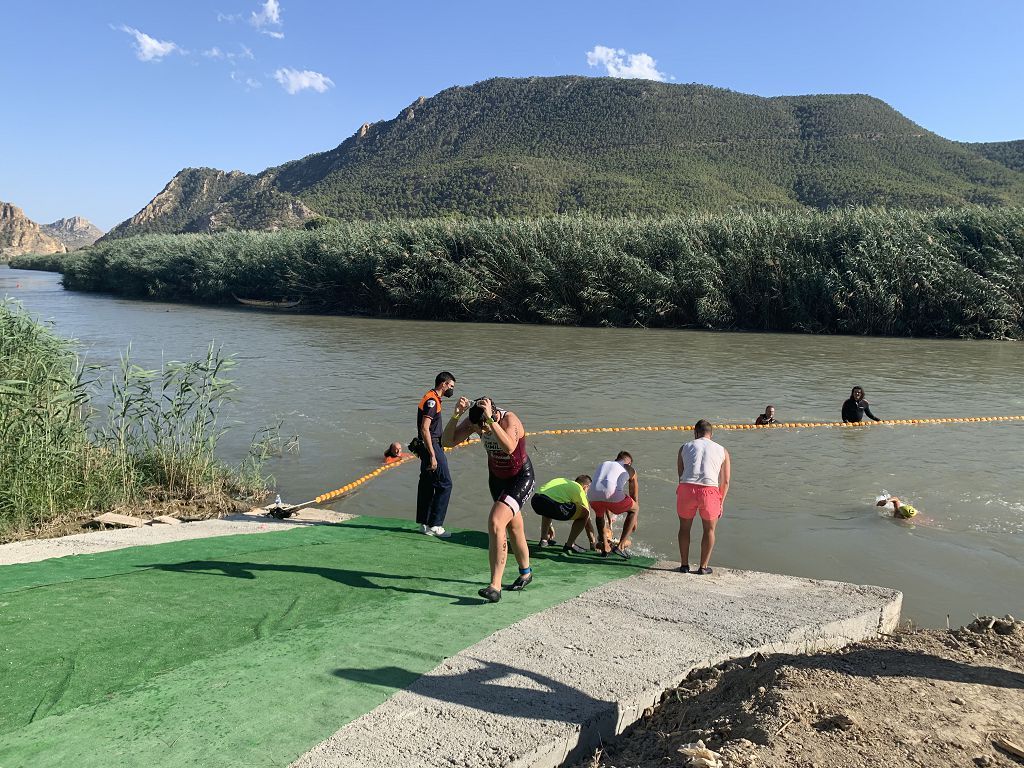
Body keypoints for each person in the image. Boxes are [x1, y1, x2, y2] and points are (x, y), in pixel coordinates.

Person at [443, 396, 535, 603]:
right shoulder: (476, 421)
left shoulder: (509, 420)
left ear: (493, 414)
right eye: (479, 427)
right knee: (514, 527)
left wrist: (491, 423)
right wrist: (456, 415)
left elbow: (510, 447)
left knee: (496, 522)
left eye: (484, 425)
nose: (482, 431)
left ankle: (495, 586)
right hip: (497, 479)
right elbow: (448, 441)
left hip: (520, 477)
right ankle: (526, 572)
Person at [677, 419, 731, 575]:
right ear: (711, 434)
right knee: (709, 530)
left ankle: (684, 565)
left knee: (684, 528)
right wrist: (721, 501)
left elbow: (681, 474)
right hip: (709, 490)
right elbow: (725, 481)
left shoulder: (684, 447)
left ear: (695, 433)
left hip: (686, 488)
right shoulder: (722, 450)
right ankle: (703, 567)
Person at [415, 372, 456, 538]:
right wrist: (432, 454)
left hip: (426, 445)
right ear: (443, 384)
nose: (452, 390)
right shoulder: (432, 401)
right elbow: (425, 428)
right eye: (451, 386)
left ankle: (424, 523)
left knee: (427, 483)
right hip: (431, 445)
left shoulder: (432, 398)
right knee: (445, 483)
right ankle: (436, 524)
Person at [587, 451, 639, 558]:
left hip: (592, 494)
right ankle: (620, 546)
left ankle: (605, 546)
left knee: (599, 515)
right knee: (635, 509)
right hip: (611, 494)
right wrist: (635, 519)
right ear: (628, 463)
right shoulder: (628, 468)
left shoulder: (604, 463)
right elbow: (633, 493)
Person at [530, 475, 598, 553]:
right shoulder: (579, 489)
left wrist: (550, 526)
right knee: (585, 514)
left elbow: (547, 499)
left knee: (550, 503)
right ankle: (570, 545)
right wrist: (593, 543)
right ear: (586, 487)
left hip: (536, 500)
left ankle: (544, 540)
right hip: (551, 503)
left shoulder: (561, 480)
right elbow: (587, 521)